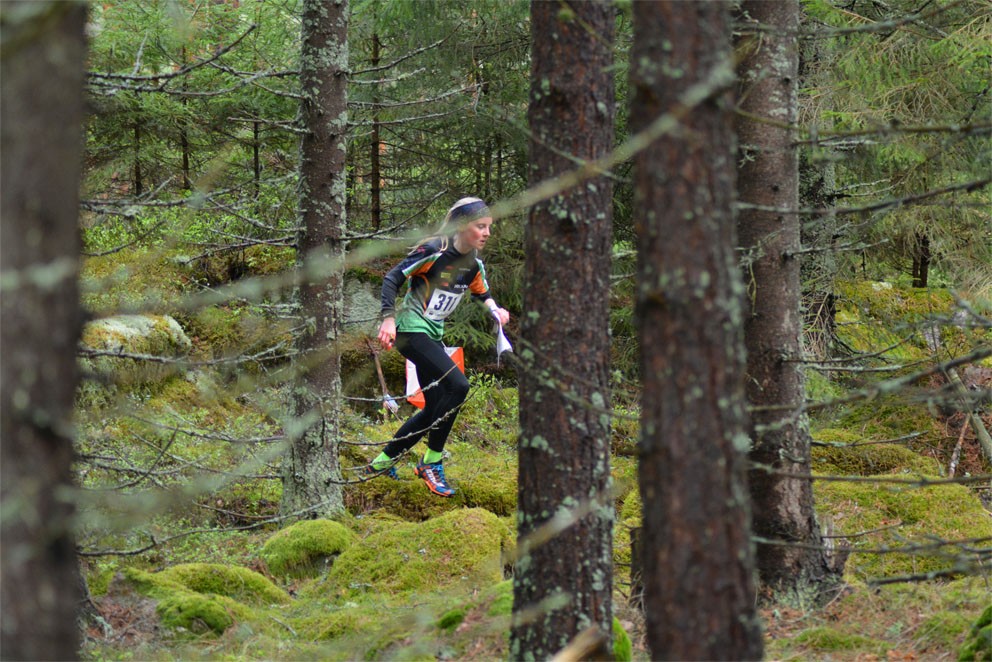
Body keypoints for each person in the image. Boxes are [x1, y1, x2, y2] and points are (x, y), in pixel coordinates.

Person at [369, 197, 509, 497]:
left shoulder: (473, 265)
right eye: (480, 226)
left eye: (489, 228)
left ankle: (381, 463)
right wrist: (388, 319)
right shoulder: (434, 250)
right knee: (458, 385)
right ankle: (431, 462)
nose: (486, 233)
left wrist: (495, 309)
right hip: (409, 330)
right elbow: (393, 277)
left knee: (433, 408)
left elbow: (481, 293)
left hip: (432, 334)